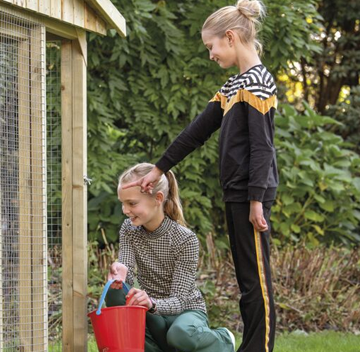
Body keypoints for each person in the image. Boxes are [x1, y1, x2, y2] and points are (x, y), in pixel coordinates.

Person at [122, 1, 278, 351]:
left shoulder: (257, 83)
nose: (210, 54)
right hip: (237, 192)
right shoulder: (233, 86)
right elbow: (197, 131)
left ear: (231, 37)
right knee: (247, 280)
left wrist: (256, 202)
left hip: (252, 195)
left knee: (258, 283)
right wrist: (160, 168)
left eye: (211, 46)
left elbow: (263, 148)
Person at [106, 163, 236, 352]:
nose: (125, 210)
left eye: (132, 203)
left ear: (158, 198)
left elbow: (180, 300)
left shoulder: (185, 239)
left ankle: (223, 339)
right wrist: (120, 273)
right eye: (123, 203)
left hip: (185, 312)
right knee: (114, 291)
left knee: (179, 336)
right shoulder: (129, 229)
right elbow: (126, 269)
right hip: (152, 312)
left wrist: (151, 303)